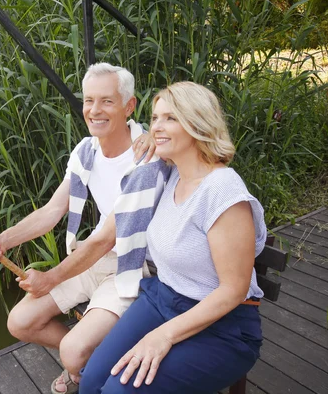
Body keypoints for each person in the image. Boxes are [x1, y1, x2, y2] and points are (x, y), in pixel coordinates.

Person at [0, 63, 167, 394]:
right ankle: (91, 366)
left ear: (129, 106)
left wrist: (51, 278)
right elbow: (52, 211)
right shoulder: (86, 150)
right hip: (98, 259)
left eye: (107, 101)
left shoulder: (146, 156)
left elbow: (104, 240)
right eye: (89, 100)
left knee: (72, 351)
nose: (94, 110)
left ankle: (82, 364)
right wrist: (1, 240)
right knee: (19, 322)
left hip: (135, 268)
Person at [79, 81, 267, 394]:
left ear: (198, 123)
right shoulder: (175, 171)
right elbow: (148, 140)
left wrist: (164, 335)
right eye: (154, 119)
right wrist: (159, 140)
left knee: (118, 391)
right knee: (92, 381)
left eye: (170, 118)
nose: (156, 127)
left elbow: (234, 290)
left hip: (224, 326)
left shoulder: (222, 191)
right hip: (163, 299)